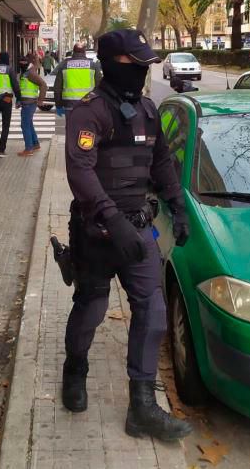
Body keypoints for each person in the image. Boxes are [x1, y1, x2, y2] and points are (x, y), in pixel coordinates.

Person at [62, 29, 192, 441]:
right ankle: (75, 368)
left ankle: (142, 407)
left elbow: (163, 166)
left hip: (138, 233)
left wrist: (179, 207)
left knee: (152, 314)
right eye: (134, 65)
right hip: (99, 233)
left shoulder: (149, 111)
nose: (141, 72)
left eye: (145, 66)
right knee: (91, 309)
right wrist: (112, 221)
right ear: (111, 63)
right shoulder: (89, 112)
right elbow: (80, 171)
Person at [53, 43, 101, 117]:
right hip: (88, 105)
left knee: (71, 127)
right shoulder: (93, 66)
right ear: (84, 52)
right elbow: (99, 87)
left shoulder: (64, 65)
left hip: (69, 105)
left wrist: (58, 105)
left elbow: (57, 88)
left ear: (73, 52)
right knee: (86, 128)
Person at [17, 53, 47, 156]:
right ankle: (35, 144)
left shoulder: (30, 73)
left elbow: (43, 84)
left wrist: (40, 100)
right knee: (28, 123)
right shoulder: (26, 71)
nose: (21, 64)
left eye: (23, 63)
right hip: (27, 102)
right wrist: (19, 100)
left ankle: (29, 148)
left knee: (24, 125)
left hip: (30, 103)